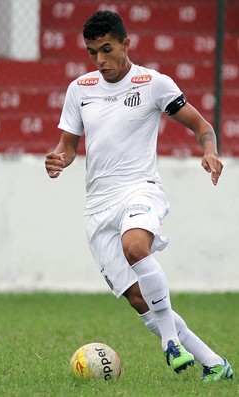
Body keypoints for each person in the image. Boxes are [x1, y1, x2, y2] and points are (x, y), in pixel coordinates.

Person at [45, 10, 234, 382]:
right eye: (92, 52)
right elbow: (67, 146)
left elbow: (202, 125)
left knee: (136, 247)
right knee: (138, 299)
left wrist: (209, 150)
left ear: (125, 44)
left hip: (139, 188)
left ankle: (169, 343)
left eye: (107, 49)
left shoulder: (152, 83)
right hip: (98, 207)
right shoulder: (79, 89)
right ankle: (215, 364)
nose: (100, 61)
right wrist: (59, 159)